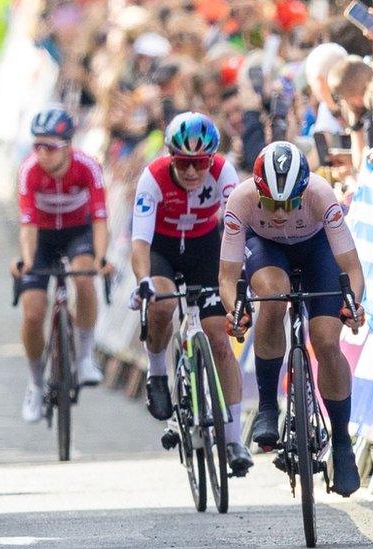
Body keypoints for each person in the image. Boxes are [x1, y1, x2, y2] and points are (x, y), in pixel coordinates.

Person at [218, 141, 366, 497]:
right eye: (271, 204)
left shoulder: (320, 193)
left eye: (289, 203)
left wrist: (354, 303)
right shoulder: (240, 200)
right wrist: (234, 310)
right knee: (273, 295)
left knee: (327, 341)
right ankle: (268, 407)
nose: (281, 213)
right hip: (266, 248)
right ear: (258, 192)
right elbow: (227, 276)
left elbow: (352, 268)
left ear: (303, 191)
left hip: (316, 249)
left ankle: (342, 444)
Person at [127, 111, 253, 476]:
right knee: (163, 303)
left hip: (204, 249)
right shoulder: (153, 177)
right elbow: (140, 241)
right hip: (162, 251)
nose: (193, 172)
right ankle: (157, 375)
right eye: (183, 164)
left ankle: (233, 441)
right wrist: (144, 281)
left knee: (218, 338)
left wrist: (239, 278)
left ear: (211, 159)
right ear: (171, 157)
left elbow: (236, 228)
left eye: (200, 163)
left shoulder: (224, 173)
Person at [12, 107, 110, 423]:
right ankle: (35, 383)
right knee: (32, 311)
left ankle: (83, 357)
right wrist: (28, 262)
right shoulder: (29, 171)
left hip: (76, 233)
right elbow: (26, 224)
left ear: (67, 145)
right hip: (41, 236)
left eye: (49, 147)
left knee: (84, 276)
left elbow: (99, 219)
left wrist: (101, 258)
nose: (41, 153)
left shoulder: (87, 167)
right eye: (36, 145)